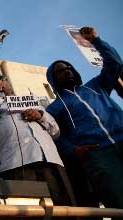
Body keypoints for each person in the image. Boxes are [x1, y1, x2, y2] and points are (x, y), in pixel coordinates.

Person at [46, 27, 123, 211]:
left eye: (69, 67)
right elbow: (54, 136)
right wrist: (73, 150)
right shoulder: (54, 107)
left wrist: (96, 41)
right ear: (53, 79)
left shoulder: (96, 85)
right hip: (99, 156)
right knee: (118, 203)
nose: (67, 71)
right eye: (60, 71)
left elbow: (115, 63)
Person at [0, 74, 74, 206]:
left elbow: (55, 131)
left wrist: (40, 116)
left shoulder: (34, 103)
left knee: (64, 209)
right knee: (26, 211)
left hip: (49, 161)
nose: (0, 82)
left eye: (3, 78)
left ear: (9, 83)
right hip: (14, 165)